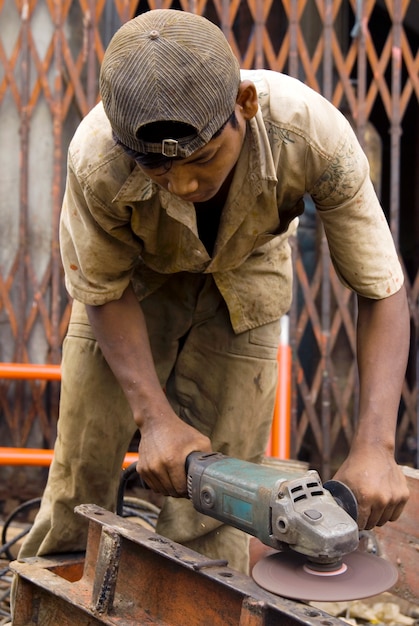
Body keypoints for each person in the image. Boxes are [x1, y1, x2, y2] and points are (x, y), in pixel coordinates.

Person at [18, 8, 410, 574]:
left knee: (221, 505)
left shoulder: (311, 135)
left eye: (202, 159)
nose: (184, 185)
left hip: (247, 277)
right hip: (133, 290)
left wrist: (377, 444)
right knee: (82, 474)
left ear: (244, 106)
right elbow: (101, 289)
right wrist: (153, 419)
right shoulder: (97, 156)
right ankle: (54, 597)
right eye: (157, 171)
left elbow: (381, 287)